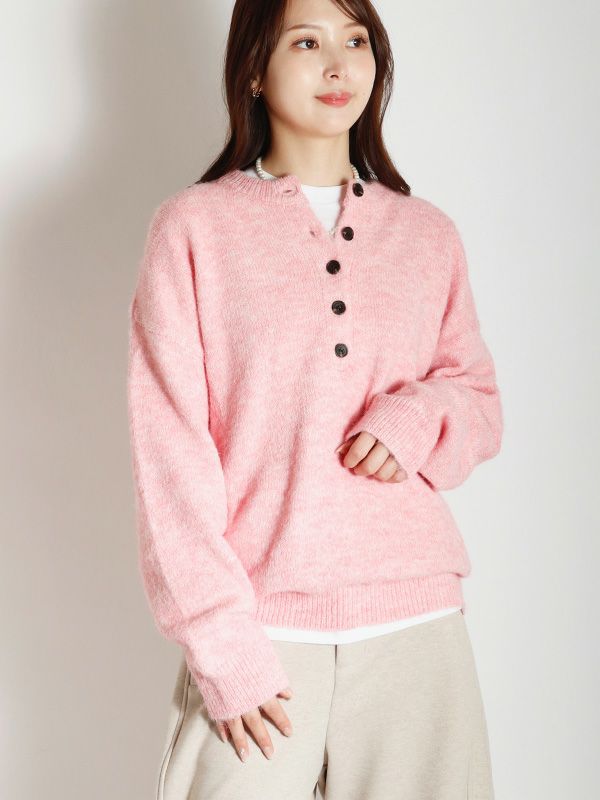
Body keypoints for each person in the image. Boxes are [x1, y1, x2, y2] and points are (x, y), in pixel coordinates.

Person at [126, 0, 504, 797]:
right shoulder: (193, 230)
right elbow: (170, 458)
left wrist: (418, 416)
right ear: (254, 69)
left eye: (356, 40)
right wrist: (222, 648)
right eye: (307, 41)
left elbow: (478, 401)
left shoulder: (427, 234)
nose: (339, 65)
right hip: (261, 639)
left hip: (416, 634)